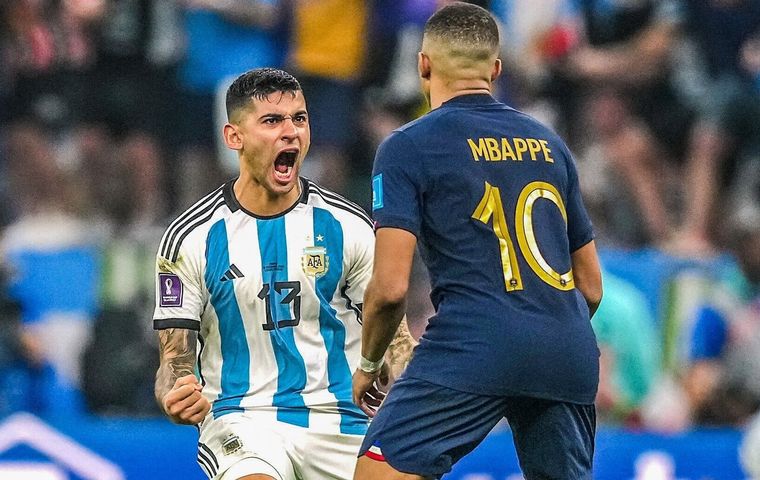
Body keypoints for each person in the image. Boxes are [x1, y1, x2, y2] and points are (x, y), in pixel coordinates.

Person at [352, 4, 603, 480]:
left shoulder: (407, 146)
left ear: (423, 65)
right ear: (496, 70)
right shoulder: (550, 144)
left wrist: (369, 361)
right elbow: (590, 286)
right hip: (565, 347)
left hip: (472, 341)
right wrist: (537, 332)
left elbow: (389, 288)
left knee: (377, 474)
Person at [152, 68, 415, 480]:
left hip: (343, 419)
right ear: (234, 137)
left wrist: (428, 397)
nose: (291, 132)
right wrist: (176, 393)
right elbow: (174, 362)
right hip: (242, 419)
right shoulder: (191, 238)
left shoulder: (348, 227)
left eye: (299, 118)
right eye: (272, 121)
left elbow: (397, 343)